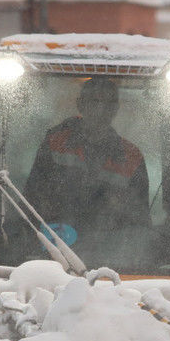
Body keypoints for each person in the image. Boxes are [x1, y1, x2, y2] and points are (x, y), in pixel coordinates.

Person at [23, 77, 150, 231]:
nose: (101, 110)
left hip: (109, 249)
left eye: (109, 104)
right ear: (80, 104)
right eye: (94, 102)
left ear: (116, 108)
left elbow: (140, 221)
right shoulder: (55, 143)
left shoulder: (132, 157)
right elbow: (30, 202)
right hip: (55, 241)